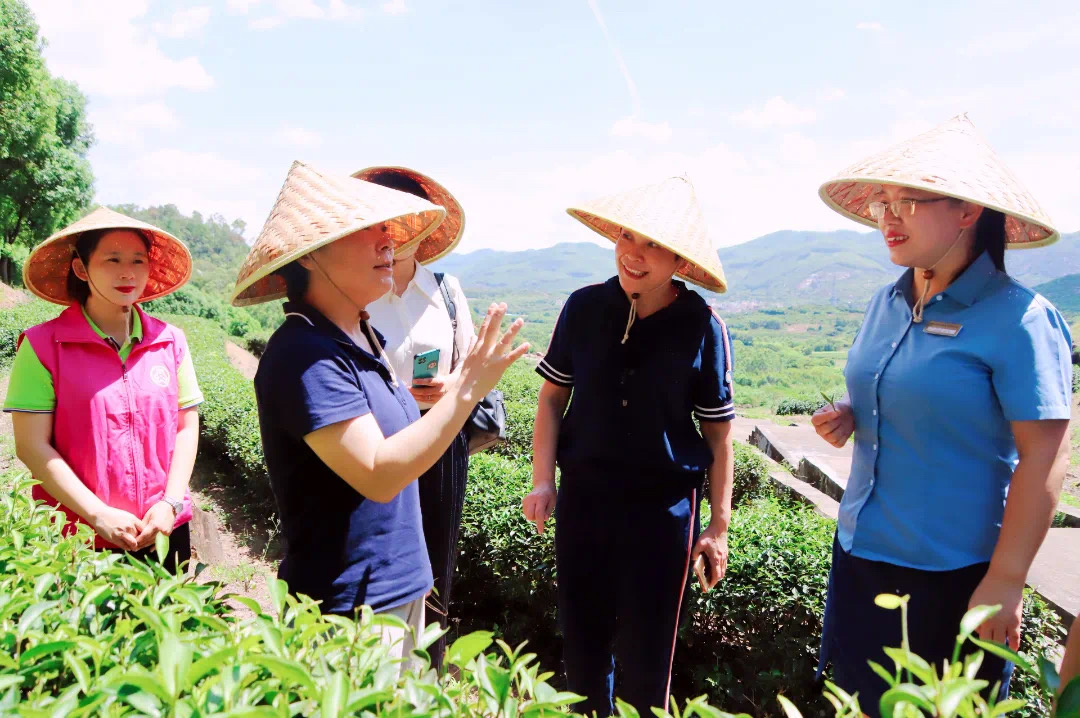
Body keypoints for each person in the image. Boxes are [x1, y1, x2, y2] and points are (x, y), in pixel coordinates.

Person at [812, 115, 1072, 716]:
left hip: (952, 578)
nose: (888, 215)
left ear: (967, 212)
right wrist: (854, 412)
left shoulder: (1021, 319)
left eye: (909, 201)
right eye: (884, 202)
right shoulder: (888, 300)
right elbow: (911, 391)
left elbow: (1047, 454)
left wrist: (1006, 582)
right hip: (858, 555)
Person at [230, 161, 527, 659]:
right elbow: (378, 473)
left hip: (399, 589)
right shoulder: (305, 354)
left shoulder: (363, 337)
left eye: (390, 231)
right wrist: (467, 389)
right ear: (310, 255)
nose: (387, 242)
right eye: (368, 231)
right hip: (350, 608)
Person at [521, 176, 735, 716]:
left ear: (681, 261)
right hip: (585, 500)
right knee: (583, 649)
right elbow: (550, 400)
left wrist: (717, 527)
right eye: (627, 237)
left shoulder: (702, 326)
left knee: (648, 657)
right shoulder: (585, 307)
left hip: (662, 514)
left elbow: (718, 434)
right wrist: (542, 480)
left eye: (653, 245)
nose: (633, 255)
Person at [6, 207, 202, 570]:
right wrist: (97, 513)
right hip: (78, 534)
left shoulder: (170, 342)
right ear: (82, 269)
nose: (127, 272)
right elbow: (32, 446)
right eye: (112, 259)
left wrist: (170, 502)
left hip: (162, 527)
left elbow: (186, 427)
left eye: (137, 261)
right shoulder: (43, 346)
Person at [357, 166, 473, 667]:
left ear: (424, 228)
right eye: (385, 219)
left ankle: (428, 680)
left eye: (409, 220)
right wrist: (396, 395)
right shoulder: (355, 296)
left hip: (442, 448)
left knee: (435, 571)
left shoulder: (445, 291)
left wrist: (453, 387)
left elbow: (470, 367)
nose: (395, 232)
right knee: (378, 573)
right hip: (372, 446)